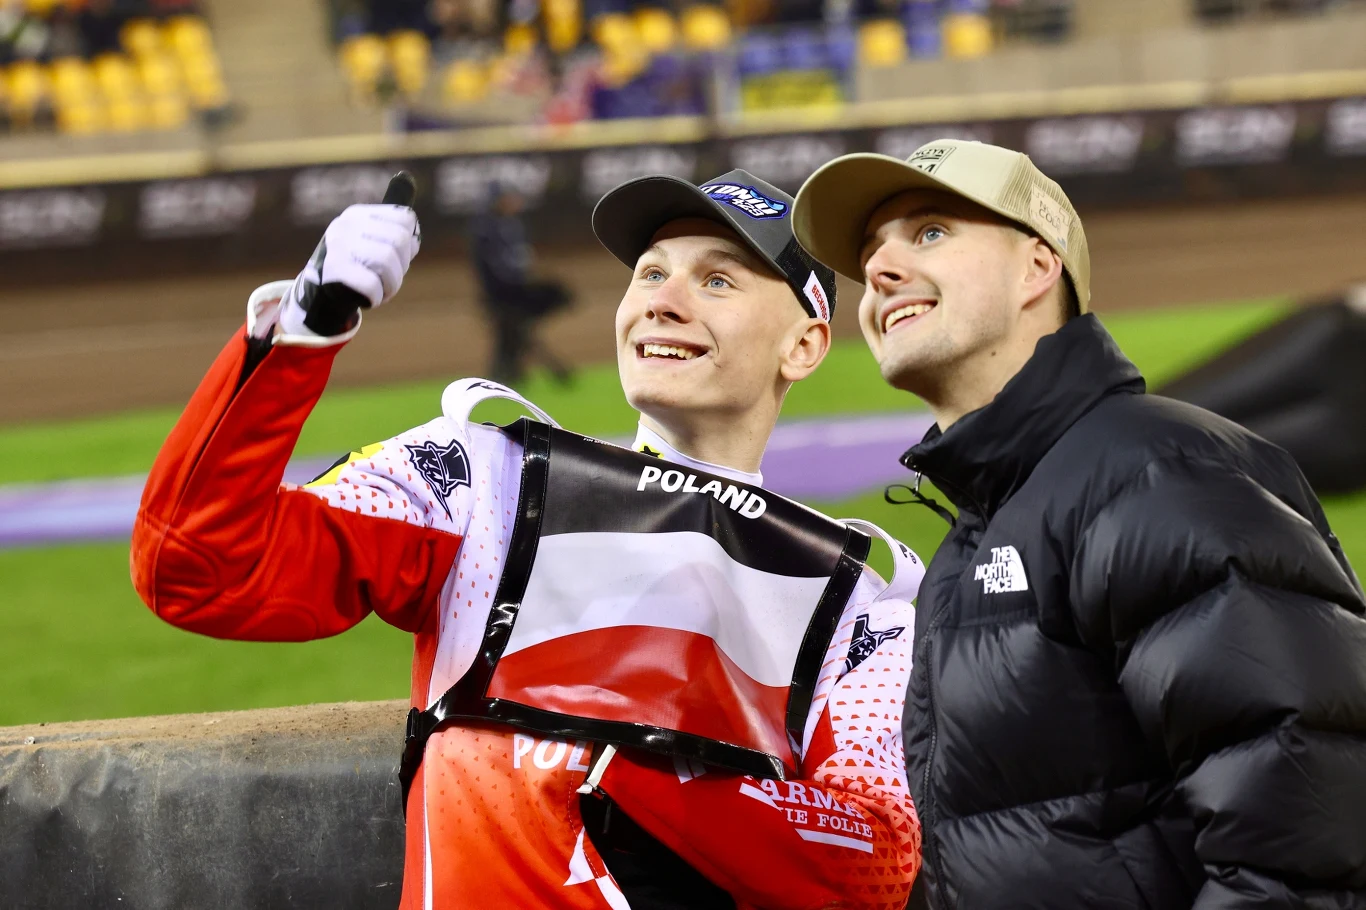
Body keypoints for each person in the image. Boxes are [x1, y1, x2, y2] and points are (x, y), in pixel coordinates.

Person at [131, 169, 924, 909]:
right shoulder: (482, 479)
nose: (664, 300)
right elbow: (200, 569)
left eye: (716, 280)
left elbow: (878, 861)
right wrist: (301, 334)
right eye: (651, 273)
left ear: (805, 345)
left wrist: (632, 767)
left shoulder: (857, 602)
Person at [791, 139, 1366, 908]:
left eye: (928, 232)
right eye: (870, 253)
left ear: (1038, 267)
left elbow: (1305, 838)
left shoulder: (1159, 472)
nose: (881, 270)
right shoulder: (975, 537)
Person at [470, 184, 574, 385]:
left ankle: (507, 375)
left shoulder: (513, 225)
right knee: (513, 334)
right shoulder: (485, 229)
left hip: (517, 289)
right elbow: (491, 267)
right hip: (501, 293)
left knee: (513, 335)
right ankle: (510, 375)